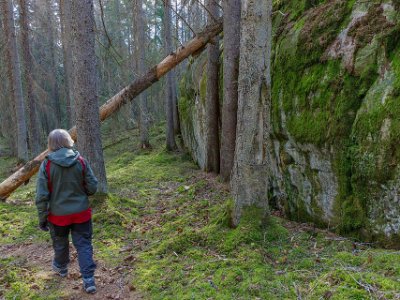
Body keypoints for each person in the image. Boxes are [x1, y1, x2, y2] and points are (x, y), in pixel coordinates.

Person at [35, 129, 98, 294]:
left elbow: (42, 195)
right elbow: (92, 187)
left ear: (51, 144)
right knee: (84, 244)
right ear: (68, 140)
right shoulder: (81, 161)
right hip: (81, 213)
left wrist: (42, 218)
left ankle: (61, 268)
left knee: (60, 243)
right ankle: (89, 279)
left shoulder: (47, 164)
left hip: (58, 216)